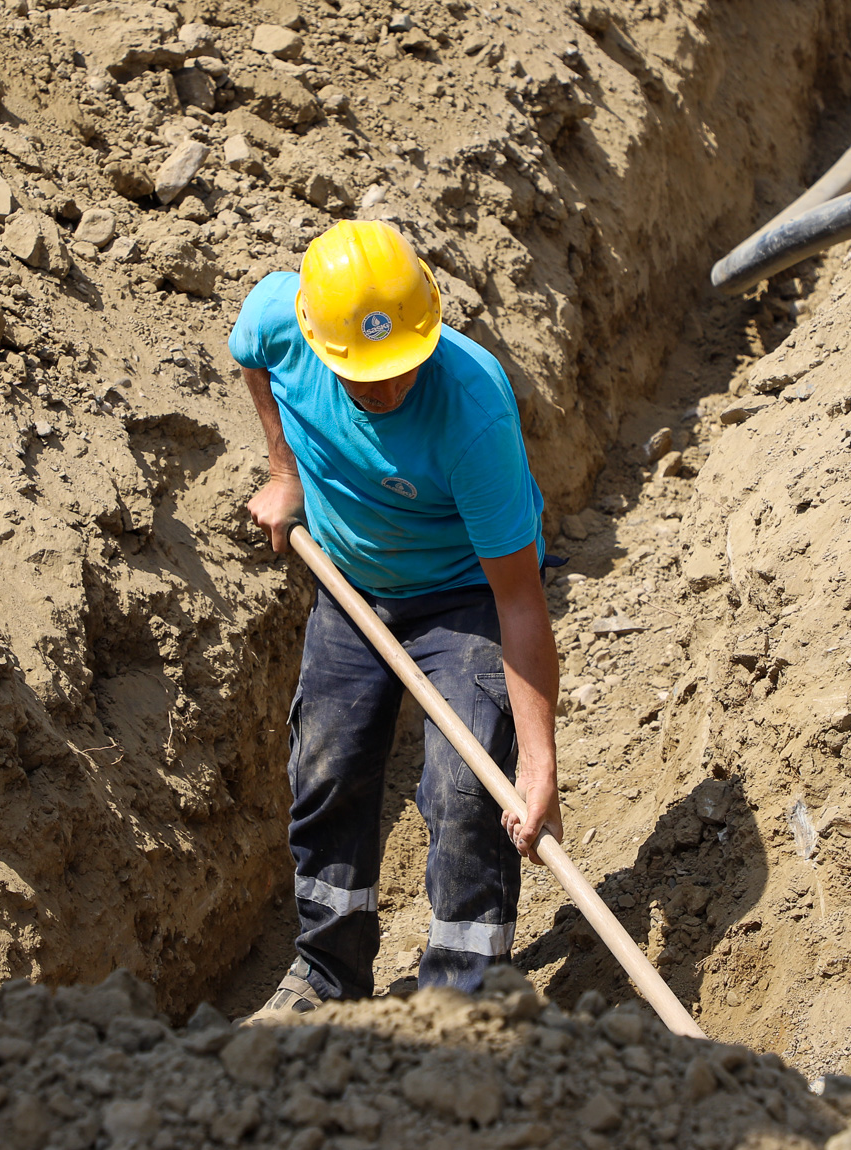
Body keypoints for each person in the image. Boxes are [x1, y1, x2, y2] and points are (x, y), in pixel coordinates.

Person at [229, 219, 562, 1013]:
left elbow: (518, 597)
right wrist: (284, 473)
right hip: (351, 582)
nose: (386, 390)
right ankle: (326, 971)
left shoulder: (472, 407)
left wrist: (539, 760)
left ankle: (461, 996)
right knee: (328, 767)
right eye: (362, 375)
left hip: (463, 593)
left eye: (402, 367)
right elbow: (251, 362)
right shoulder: (282, 318)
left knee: (465, 788)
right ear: (317, 339)